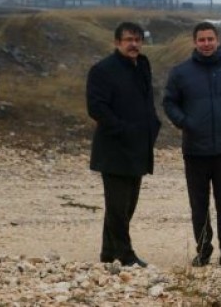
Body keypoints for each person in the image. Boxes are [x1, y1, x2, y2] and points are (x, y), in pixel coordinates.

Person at [163, 21, 221, 267]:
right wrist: (184, 122)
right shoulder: (181, 72)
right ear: (195, 42)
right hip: (195, 149)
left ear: (218, 40)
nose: (206, 44)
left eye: (210, 39)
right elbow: (169, 102)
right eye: (201, 40)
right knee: (199, 204)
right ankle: (203, 250)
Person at [86, 21, 161, 267]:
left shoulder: (142, 65)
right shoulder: (102, 70)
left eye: (137, 40)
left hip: (139, 146)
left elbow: (147, 100)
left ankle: (108, 252)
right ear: (117, 42)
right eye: (129, 40)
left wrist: (153, 125)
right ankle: (125, 254)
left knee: (127, 205)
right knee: (118, 206)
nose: (134, 44)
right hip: (114, 148)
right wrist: (122, 129)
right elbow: (96, 108)